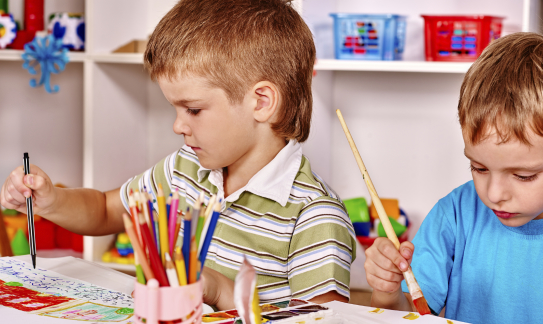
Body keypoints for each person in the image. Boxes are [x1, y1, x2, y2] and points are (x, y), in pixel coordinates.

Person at [1, 0, 355, 310]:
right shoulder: (185, 168)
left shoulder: (315, 217)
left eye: (194, 110)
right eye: (175, 109)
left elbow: (325, 320)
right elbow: (105, 210)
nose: (178, 126)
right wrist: (50, 201)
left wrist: (222, 291)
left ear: (260, 102)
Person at [364, 32, 543, 323]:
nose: (494, 194)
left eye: (523, 175)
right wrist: (387, 293)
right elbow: (411, 315)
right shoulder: (454, 214)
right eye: (479, 168)